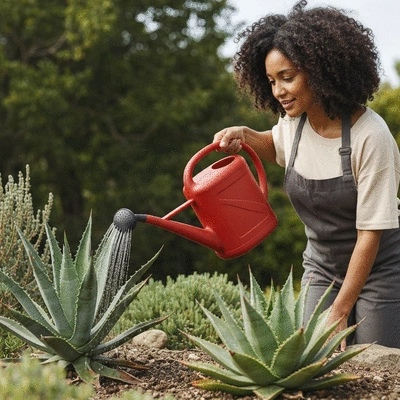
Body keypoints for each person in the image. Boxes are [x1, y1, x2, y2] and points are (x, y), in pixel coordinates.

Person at [214, 0, 400, 350]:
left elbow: (370, 235)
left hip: (380, 268)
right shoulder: (294, 122)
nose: (278, 91)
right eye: (271, 81)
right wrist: (246, 135)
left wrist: (339, 311)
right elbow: (278, 147)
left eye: (288, 78)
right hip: (322, 265)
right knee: (312, 360)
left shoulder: (371, 137)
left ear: (321, 70)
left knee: (376, 363)